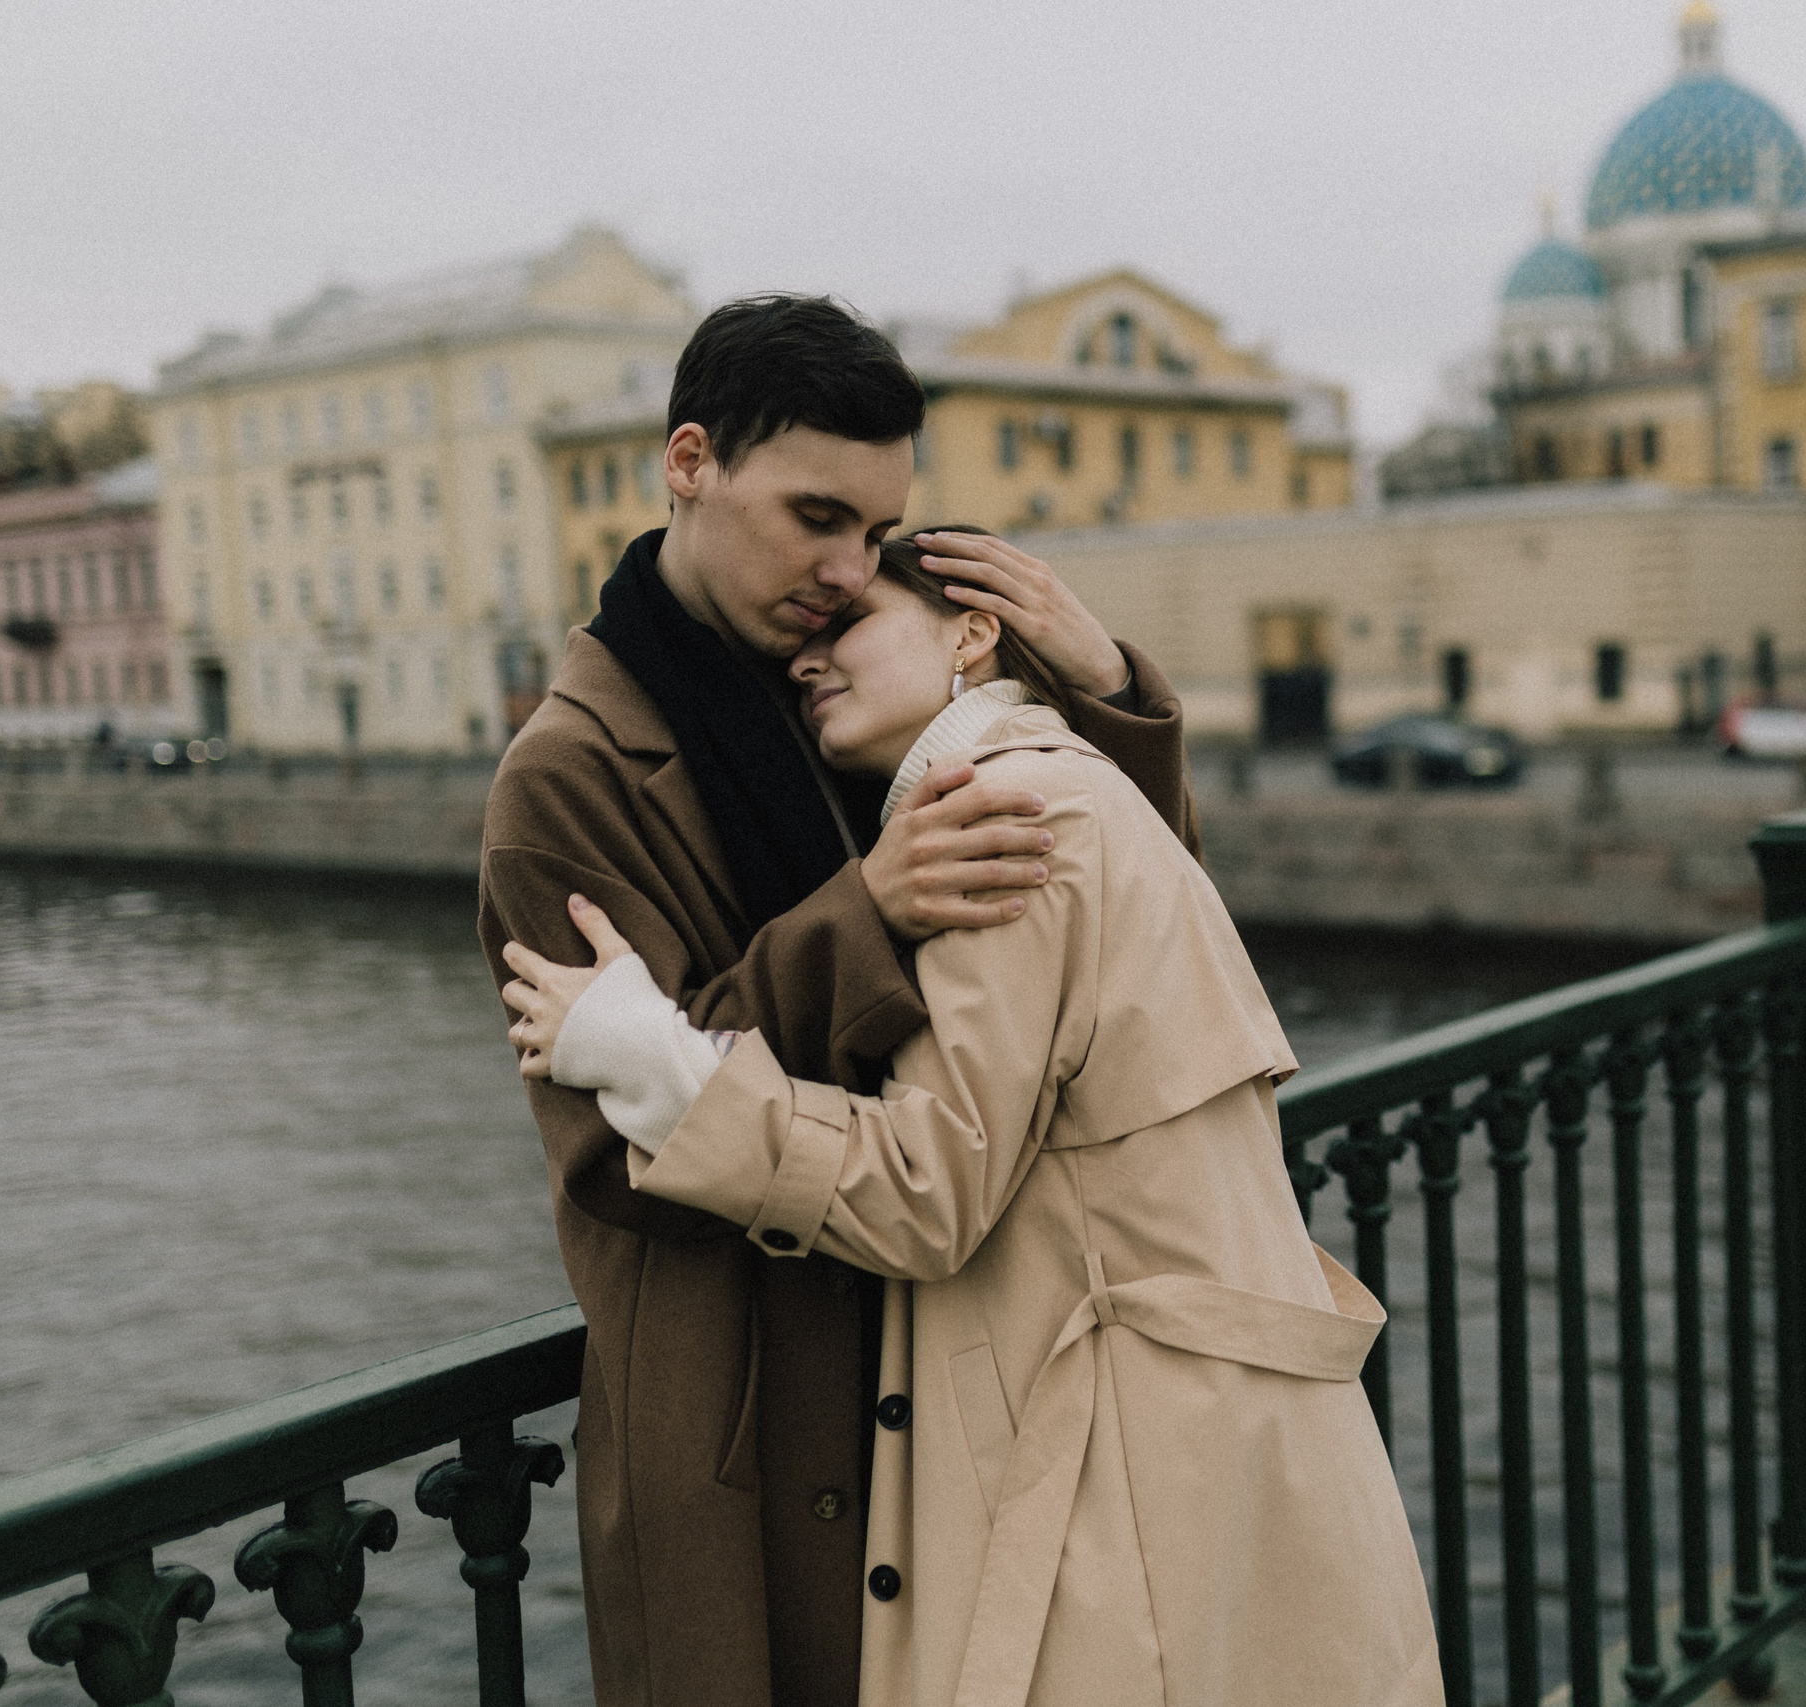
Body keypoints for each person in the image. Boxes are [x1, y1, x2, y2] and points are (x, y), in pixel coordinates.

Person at [500, 540, 1445, 1707]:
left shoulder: (1005, 809)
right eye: (800, 642)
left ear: (970, 632)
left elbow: (927, 1195)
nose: (807, 661)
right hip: (1187, 1429)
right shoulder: (1058, 781)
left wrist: (660, 1062)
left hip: (1121, 1463)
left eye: (847, 624)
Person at [479, 297, 1201, 1707]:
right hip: (754, 1420)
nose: (841, 568)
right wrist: (869, 909)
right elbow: (623, 1152)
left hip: (947, 1354)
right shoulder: (562, 780)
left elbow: (1116, 946)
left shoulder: (847, 694)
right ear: (689, 461)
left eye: (873, 532)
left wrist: (1104, 689)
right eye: (815, 514)